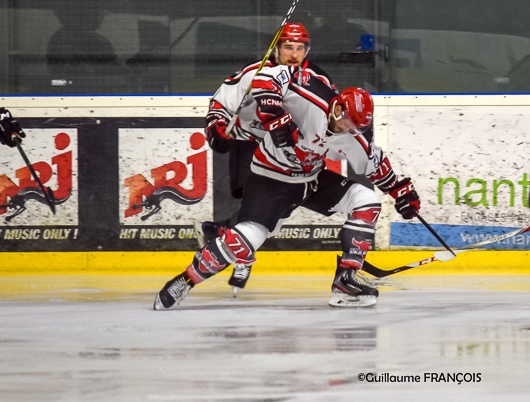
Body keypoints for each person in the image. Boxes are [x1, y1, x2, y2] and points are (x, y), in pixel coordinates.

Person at [154, 78, 421, 309]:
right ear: (338, 107)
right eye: (347, 124)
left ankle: (346, 280)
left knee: (367, 201)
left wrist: (401, 192)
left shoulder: (354, 135)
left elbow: (374, 164)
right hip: (271, 180)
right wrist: (270, 106)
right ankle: (185, 281)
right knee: (243, 242)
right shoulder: (308, 98)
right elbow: (265, 81)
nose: (349, 132)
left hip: (312, 179)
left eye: (355, 129)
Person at [197, 22, 339, 293]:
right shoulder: (256, 72)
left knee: (277, 204)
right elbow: (221, 102)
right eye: (288, 47)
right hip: (251, 142)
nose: (294, 54)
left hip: (288, 149)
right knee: (253, 201)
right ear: (277, 48)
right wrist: (216, 126)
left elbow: (333, 115)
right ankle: (238, 248)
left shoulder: (317, 77)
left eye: (299, 48)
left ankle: (220, 233)